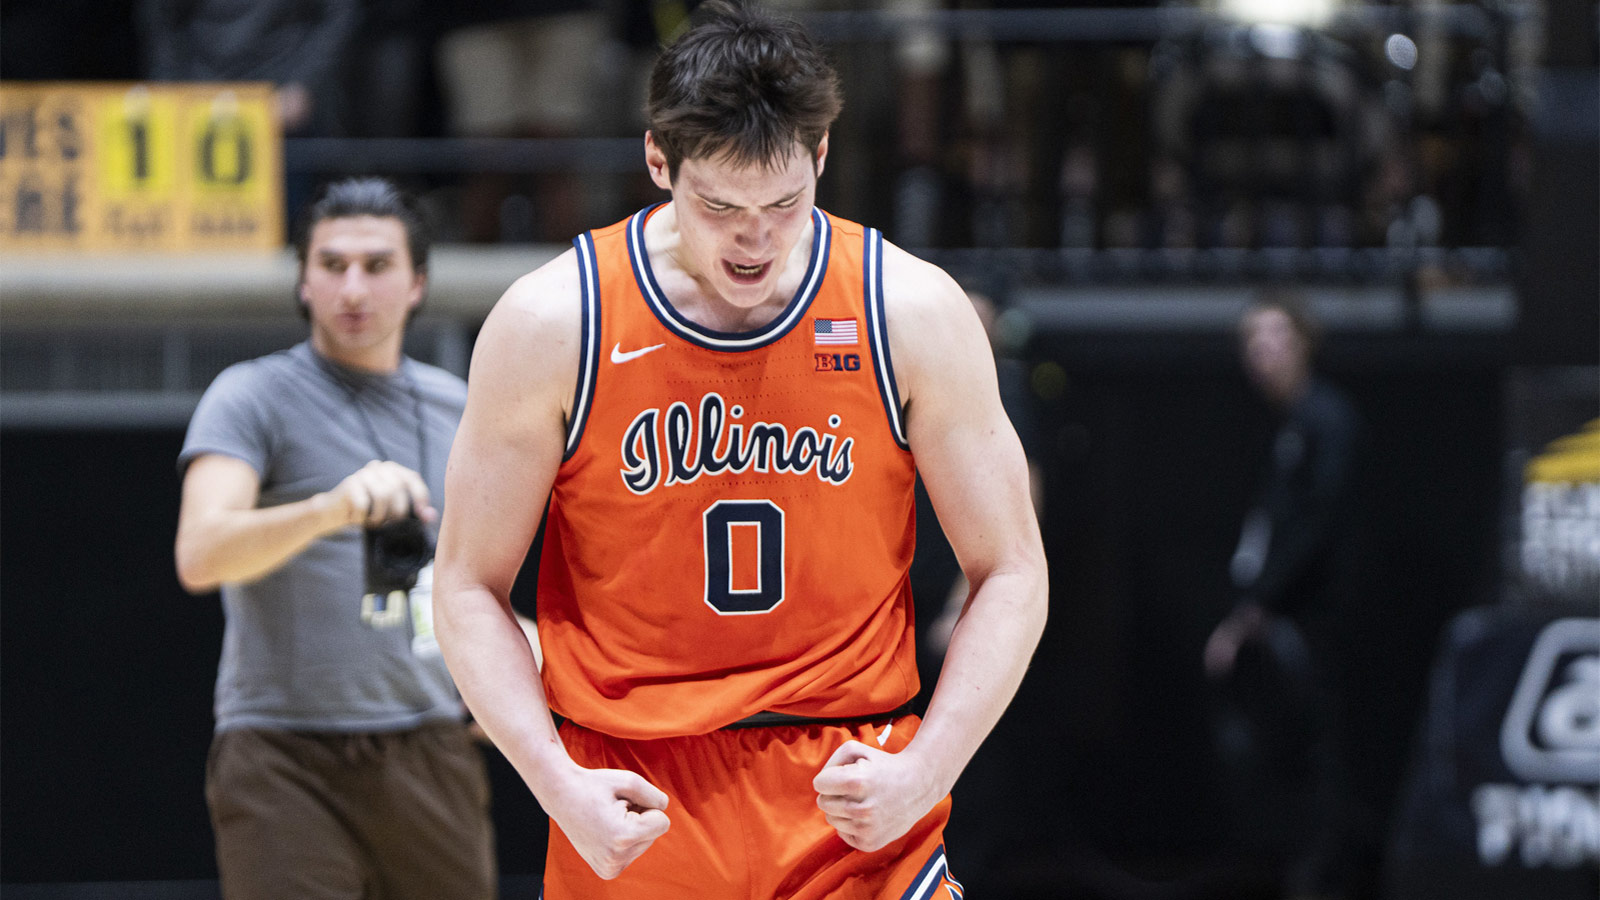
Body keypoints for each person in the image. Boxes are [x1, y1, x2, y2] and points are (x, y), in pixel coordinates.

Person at [433, 3, 1049, 897]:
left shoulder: (907, 310)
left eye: (783, 203)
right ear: (658, 161)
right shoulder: (553, 321)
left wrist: (927, 770)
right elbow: (465, 585)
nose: (754, 238)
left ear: (823, 156)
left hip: (850, 780)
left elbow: (1014, 570)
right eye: (720, 205)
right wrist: (556, 783)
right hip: (639, 797)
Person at [174, 177, 496, 900]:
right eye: (332, 264)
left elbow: (483, 574)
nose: (353, 287)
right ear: (303, 281)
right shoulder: (251, 394)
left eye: (377, 266)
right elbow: (200, 554)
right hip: (282, 750)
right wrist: (330, 509)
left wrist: (508, 679)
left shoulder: (459, 404)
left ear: (416, 284)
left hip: (429, 742)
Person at [1203, 293, 1366, 900]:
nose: (1261, 352)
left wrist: (1260, 605)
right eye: (1250, 340)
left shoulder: (1327, 420)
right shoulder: (1285, 427)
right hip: (1281, 617)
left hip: (1316, 617)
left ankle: (1323, 874)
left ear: (1303, 342)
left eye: (1274, 336)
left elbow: (1317, 523)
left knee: (1322, 745)